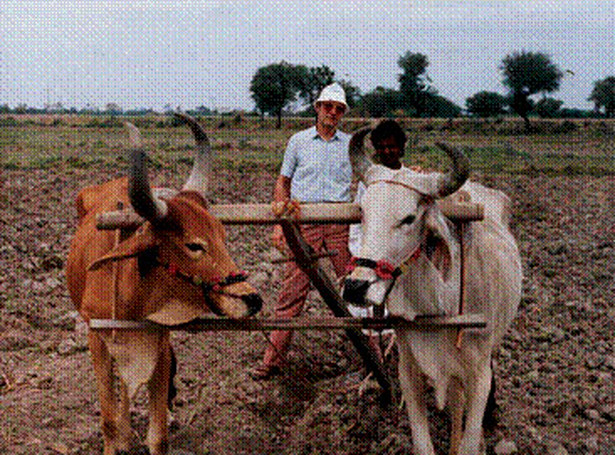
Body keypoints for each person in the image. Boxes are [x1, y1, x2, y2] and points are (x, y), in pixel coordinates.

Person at [249, 83, 353, 380]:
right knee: (292, 292)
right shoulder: (298, 141)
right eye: (328, 106)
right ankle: (272, 361)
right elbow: (283, 181)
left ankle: (375, 353)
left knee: (355, 288)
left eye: (339, 108)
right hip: (303, 222)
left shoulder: (351, 144)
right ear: (317, 108)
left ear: (343, 113)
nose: (333, 112)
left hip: (339, 224)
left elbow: (370, 176)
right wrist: (281, 223)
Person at [347, 120, 407, 360]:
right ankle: (375, 362)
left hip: (400, 257)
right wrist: (362, 255)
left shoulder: (411, 178)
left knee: (402, 308)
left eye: (392, 146)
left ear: (401, 149)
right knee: (370, 308)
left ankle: (401, 359)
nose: (387, 151)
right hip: (372, 255)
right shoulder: (368, 182)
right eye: (381, 147)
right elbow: (359, 221)